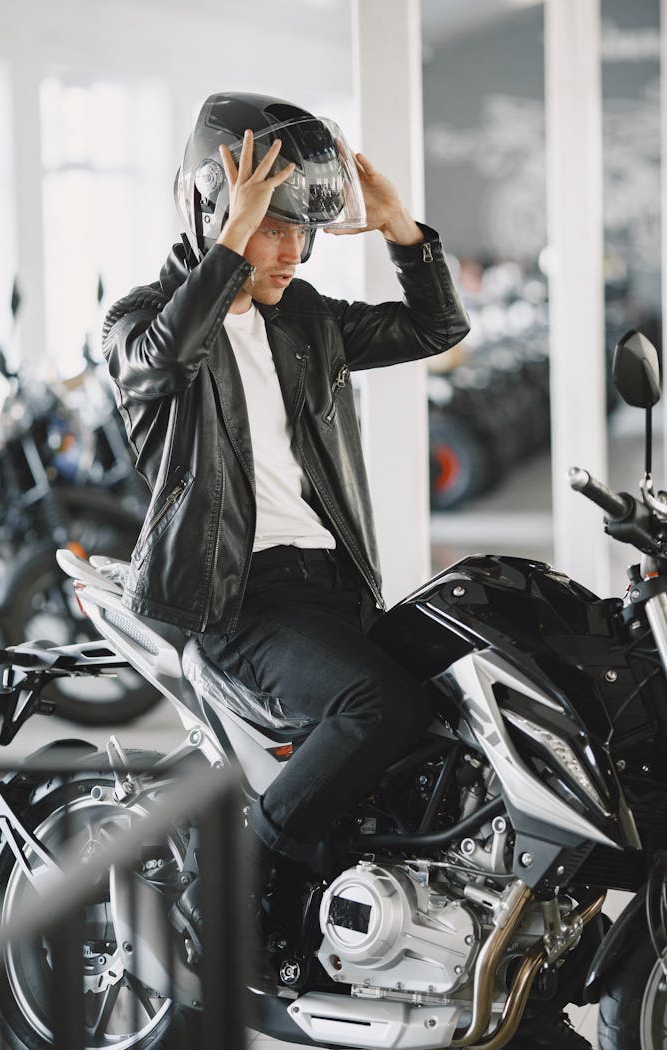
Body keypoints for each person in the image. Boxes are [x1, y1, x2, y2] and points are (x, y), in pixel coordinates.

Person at [102, 88, 468, 904]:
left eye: (298, 233)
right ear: (215, 217)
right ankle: (237, 889)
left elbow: (435, 330)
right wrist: (235, 237)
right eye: (272, 226)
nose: (290, 252)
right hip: (233, 602)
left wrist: (401, 228)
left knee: (457, 703)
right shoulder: (139, 320)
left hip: (334, 588)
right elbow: (163, 363)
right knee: (379, 707)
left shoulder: (303, 319)